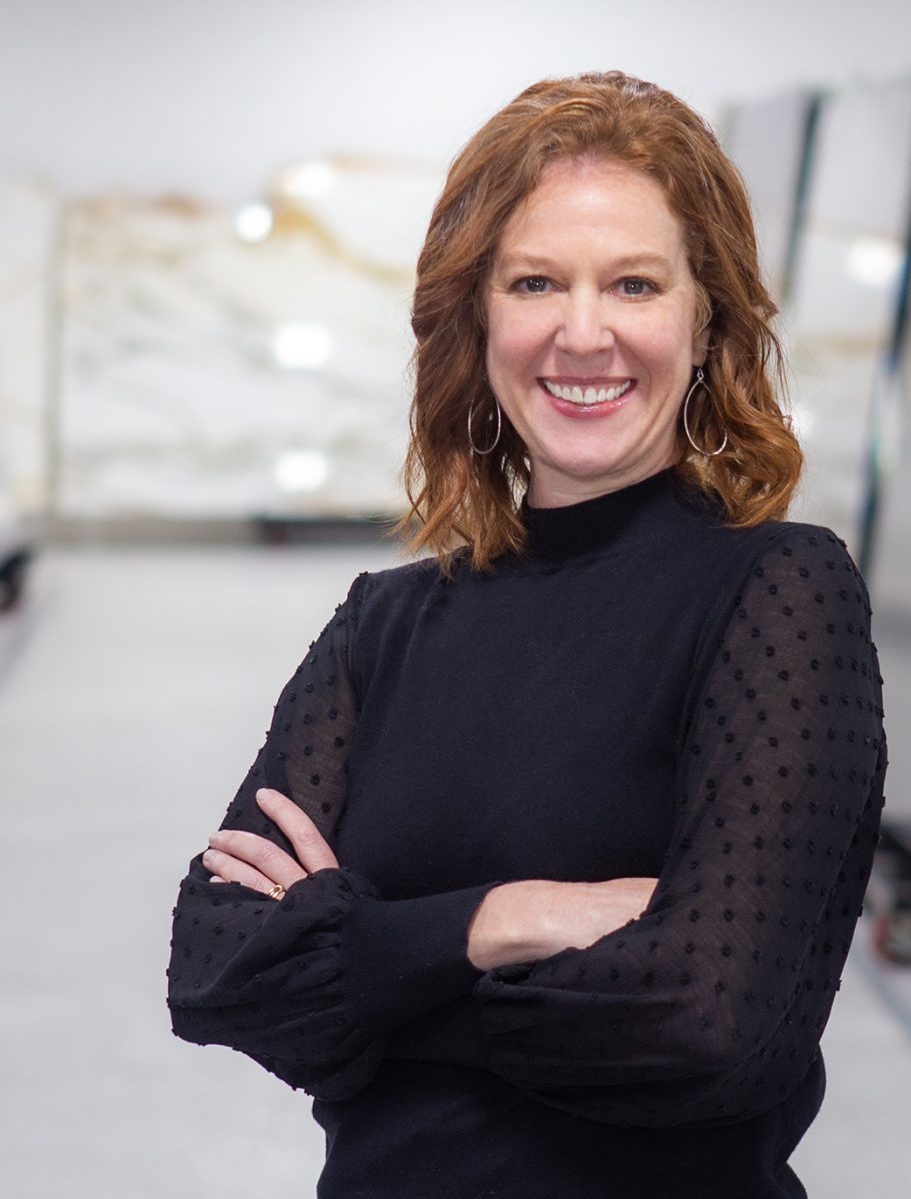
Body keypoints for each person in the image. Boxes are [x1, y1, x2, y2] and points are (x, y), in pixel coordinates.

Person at [167, 72, 886, 1198]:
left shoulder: (779, 593)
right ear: (478, 316)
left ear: (706, 320)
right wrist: (509, 922)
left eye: (634, 283)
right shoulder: (383, 624)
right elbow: (215, 969)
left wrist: (365, 972)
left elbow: (710, 1025)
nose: (582, 332)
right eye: (535, 281)